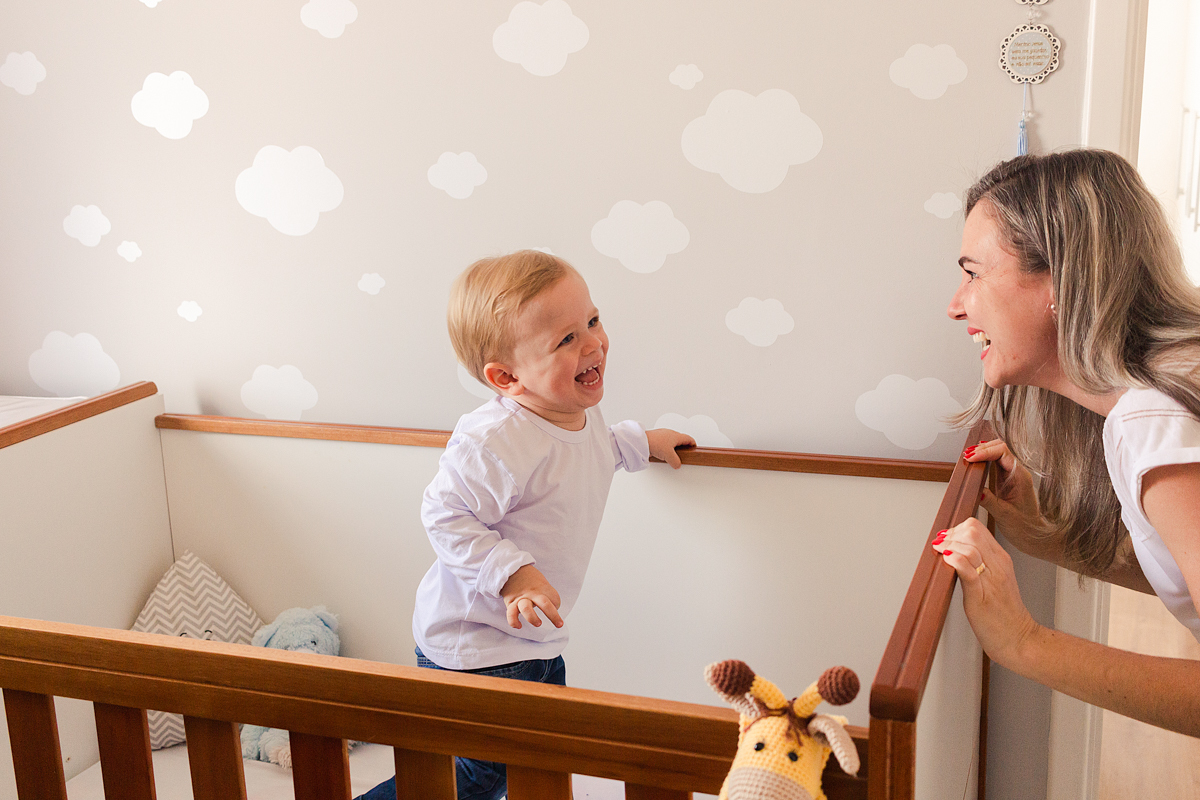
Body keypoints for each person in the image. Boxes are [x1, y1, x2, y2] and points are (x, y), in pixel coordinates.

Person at [356, 250, 695, 800]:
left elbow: (584, 453)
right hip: (478, 641)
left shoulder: (568, 406)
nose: (593, 343)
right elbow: (445, 515)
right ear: (506, 377)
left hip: (531, 634)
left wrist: (641, 444)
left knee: (531, 760)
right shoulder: (495, 440)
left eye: (592, 320)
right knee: (478, 773)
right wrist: (514, 574)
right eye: (565, 340)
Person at [936, 149, 1200, 737]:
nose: (956, 306)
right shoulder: (1170, 387)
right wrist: (1050, 540)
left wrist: (1024, 643)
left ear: (1061, 277)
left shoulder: (1155, 421)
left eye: (973, 273)